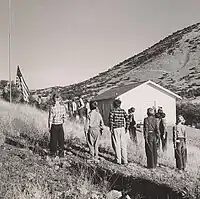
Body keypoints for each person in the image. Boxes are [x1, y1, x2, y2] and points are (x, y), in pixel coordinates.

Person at [109, 99, 129, 165]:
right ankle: (125, 160)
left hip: (115, 128)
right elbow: (127, 119)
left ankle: (118, 160)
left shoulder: (112, 111)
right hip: (122, 128)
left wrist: (111, 129)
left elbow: (111, 121)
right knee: (123, 145)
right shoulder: (123, 111)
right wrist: (127, 127)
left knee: (116, 144)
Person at [48, 93, 67, 158]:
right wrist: (62, 121)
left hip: (54, 125)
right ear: (60, 99)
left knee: (53, 140)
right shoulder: (63, 107)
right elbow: (65, 117)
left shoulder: (52, 107)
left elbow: (50, 118)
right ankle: (61, 154)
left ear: (54, 99)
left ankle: (53, 153)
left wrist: (49, 126)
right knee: (61, 140)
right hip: (60, 125)